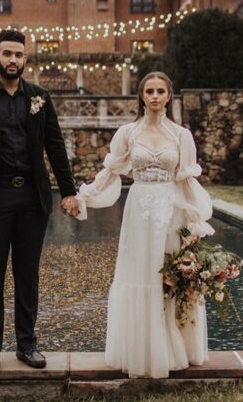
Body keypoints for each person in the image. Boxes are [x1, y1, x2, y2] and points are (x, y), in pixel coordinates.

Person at [64, 71, 214, 378]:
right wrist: (85, 197)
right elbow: (111, 172)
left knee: (171, 276)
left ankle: (175, 348)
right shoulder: (128, 133)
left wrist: (196, 220)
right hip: (139, 210)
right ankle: (141, 351)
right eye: (149, 91)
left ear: (169, 96)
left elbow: (187, 181)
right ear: (142, 96)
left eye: (161, 91)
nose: (155, 96)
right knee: (139, 275)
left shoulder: (182, 136)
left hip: (171, 212)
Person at [0, 28, 79, 372]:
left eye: (19, 55)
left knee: (28, 275)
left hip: (31, 198)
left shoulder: (39, 97)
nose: (13, 60)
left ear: (25, 59)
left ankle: (27, 345)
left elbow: (56, 146)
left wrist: (68, 190)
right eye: (7, 54)